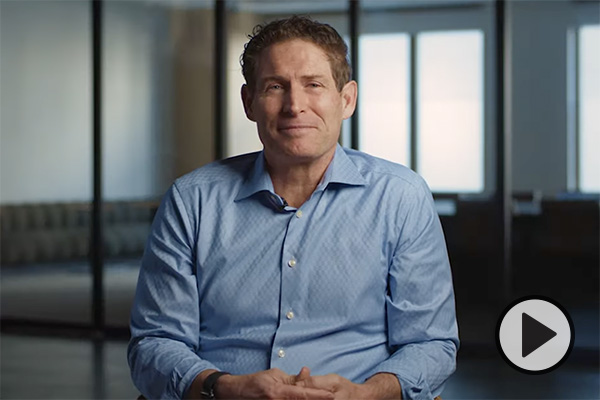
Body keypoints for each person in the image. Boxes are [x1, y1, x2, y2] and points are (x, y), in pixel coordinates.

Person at [128, 15, 459, 400]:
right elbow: (154, 343)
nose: (294, 106)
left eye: (313, 85)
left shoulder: (401, 197)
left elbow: (431, 344)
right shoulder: (191, 201)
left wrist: (369, 393)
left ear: (346, 99)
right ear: (249, 102)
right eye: (275, 86)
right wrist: (223, 386)